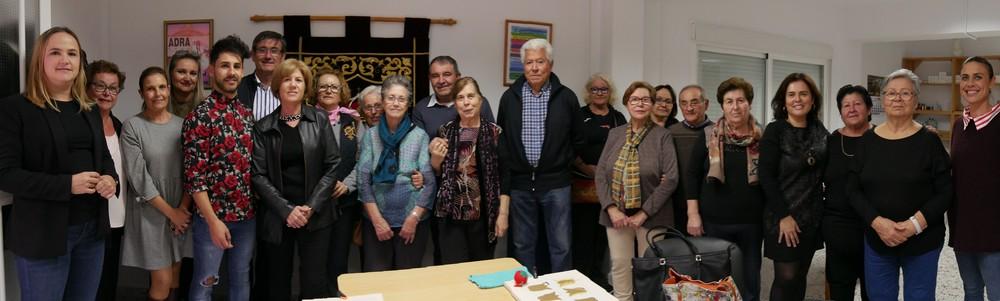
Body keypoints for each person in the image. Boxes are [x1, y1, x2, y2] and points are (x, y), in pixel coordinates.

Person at [0, 26, 119, 301]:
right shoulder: (14, 109)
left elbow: (104, 158)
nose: (65, 59)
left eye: (72, 53)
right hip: (43, 235)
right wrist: (67, 185)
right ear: (39, 60)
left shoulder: (89, 109)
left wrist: (110, 179)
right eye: (55, 52)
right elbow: (6, 174)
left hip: (92, 232)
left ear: (80, 63)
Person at [848, 69, 951, 301]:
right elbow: (853, 190)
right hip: (878, 239)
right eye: (891, 93)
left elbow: (945, 191)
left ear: (915, 100)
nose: (897, 98)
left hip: (923, 240)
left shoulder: (929, 141)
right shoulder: (867, 141)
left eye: (906, 93)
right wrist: (878, 223)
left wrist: (913, 225)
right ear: (882, 100)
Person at [251, 59, 340, 300]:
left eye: (299, 80)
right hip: (278, 217)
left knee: (314, 281)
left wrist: (310, 207)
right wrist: (287, 210)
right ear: (278, 85)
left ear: (306, 86)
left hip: (316, 214)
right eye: (287, 79)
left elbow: (332, 165)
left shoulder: (319, 120)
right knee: (277, 281)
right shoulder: (263, 127)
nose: (293, 84)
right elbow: (258, 174)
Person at [497, 38, 584, 274]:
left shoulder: (566, 97)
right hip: (521, 184)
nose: (534, 68)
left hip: (556, 183)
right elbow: (502, 140)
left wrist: (562, 161)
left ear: (551, 65)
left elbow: (577, 139)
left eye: (540, 62)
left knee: (561, 245)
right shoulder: (509, 98)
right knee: (522, 245)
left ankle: (562, 292)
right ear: (523, 66)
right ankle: (525, 292)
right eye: (529, 62)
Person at [183, 35, 256, 301]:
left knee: (241, 282)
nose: (232, 72)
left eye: (237, 66)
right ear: (212, 70)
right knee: (205, 284)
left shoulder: (246, 115)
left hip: (247, 218)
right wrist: (213, 222)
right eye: (225, 66)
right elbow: (195, 178)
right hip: (211, 220)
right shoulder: (200, 117)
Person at [595, 81, 678, 300]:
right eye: (634, 99)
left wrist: (643, 213)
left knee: (649, 268)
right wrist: (612, 209)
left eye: (645, 99)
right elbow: (601, 174)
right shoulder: (615, 134)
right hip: (617, 215)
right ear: (626, 103)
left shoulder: (662, 136)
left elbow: (671, 179)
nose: (639, 103)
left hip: (652, 215)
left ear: (651, 104)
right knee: (620, 266)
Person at [685, 77, 765, 301]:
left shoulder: (763, 136)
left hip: (751, 222)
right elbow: (692, 176)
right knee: (715, 282)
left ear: (749, 103)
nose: (735, 106)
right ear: (722, 106)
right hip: (714, 222)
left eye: (740, 100)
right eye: (729, 101)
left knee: (750, 281)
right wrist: (693, 215)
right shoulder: (707, 135)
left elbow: (770, 178)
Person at [120, 67, 193, 301]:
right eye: (150, 89)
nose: (157, 93)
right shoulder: (132, 126)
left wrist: (182, 209)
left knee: (174, 276)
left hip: (180, 209)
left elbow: (192, 172)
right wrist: (172, 213)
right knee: (160, 281)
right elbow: (139, 178)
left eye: (162, 87)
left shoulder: (183, 125)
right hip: (150, 210)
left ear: (169, 90)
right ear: (141, 93)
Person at [357, 75, 437, 271]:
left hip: (412, 224)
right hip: (376, 222)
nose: (395, 103)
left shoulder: (419, 136)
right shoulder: (371, 135)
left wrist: (413, 218)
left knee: (407, 283)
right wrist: (377, 221)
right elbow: (363, 182)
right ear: (383, 101)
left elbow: (429, 183)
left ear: (408, 103)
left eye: (401, 99)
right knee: (376, 279)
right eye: (391, 98)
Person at [759, 73, 828, 301]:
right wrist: (784, 216)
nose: (797, 99)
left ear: (813, 100)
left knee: (800, 276)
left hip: (812, 217)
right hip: (782, 217)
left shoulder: (820, 131)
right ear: (784, 101)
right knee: (785, 277)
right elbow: (765, 176)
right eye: (791, 94)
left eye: (803, 94)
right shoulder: (775, 130)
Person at [428, 76, 506, 264]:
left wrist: (503, 214)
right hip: (450, 217)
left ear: (480, 99)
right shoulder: (444, 132)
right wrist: (435, 161)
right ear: (455, 103)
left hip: (484, 216)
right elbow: (436, 175)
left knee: (480, 271)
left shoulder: (495, 133)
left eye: (471, 96)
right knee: (452, 272)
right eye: (461, 97)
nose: (466, 102)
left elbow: (505, 177)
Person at [950, 56, 1000, 301]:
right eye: (965, 77)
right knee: (971, 290)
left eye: (978, 77)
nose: (970, 83)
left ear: (991, 82)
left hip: (995, 231)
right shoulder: (959, 125)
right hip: (963, 227)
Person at [311, 67, 364, 294]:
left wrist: (348, 184)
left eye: (334, 86)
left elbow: (362, 160)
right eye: (323, 86)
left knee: (338, 260)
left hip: (344, 202)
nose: (328, 90)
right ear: (315, 90)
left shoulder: (353, 122)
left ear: (342, 90)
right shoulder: (305, 118)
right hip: (314, 204)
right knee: (315, 260)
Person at [570, 73, 625, 287]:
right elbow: (570, 146)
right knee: (582, 235)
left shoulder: (618, 118)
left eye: (604, 89)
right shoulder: (579, 115)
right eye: (595, 89)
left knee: (604, 236)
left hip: (609, 187)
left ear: (610, 93)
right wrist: (585, 167)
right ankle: (580, 278)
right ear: (588, 92)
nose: (599, 93)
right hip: (582, 185)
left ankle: (598, 280)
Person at [824, 84, 873, 301]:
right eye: (846, 105)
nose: (852, 109)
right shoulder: (831, 141)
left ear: (869, 108)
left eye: (857, 104)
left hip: (875, 226)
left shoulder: (882, 139)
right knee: (840, 288)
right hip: (838, 226)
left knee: (873, 288)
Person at [86, 59, 129, 301]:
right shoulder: (80, 124)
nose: (107, 93)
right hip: (91, 218)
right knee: (88, 284)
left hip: (117, 216)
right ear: (88, 87)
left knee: (108, 281)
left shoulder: (120, 125)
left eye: (113, 88)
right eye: (100, 86)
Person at [667, 85, 713, 234]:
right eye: (684, 103)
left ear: (706, 104)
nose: (689, 108)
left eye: (694, 102)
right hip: (676, 207)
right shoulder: (670, 133)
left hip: (709, 206)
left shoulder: (717, 132)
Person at [413, 55, 495, 138]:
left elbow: (493, 138)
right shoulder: (421, 109)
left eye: (446, 74)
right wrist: (430, 147)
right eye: (435, 76)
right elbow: (418, 145)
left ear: (457, 77)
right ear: (430, 79)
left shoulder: (477, 103)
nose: (441, 81)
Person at [237, 31, 285, 121]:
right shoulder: (238, 87)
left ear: (282, 57)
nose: (268, 56)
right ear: (253, 55)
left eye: (274, 51)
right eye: (262, 50)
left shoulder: (291, 89)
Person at [167, 50, 204, 119]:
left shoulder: (207, 107)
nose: (187, 78)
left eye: (193, 73)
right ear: (171, 73)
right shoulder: (159, 105)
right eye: (181, 72)